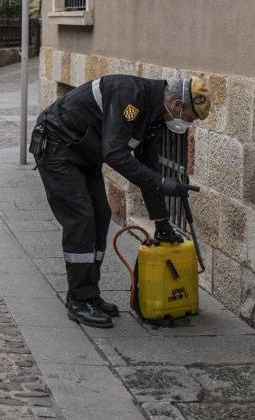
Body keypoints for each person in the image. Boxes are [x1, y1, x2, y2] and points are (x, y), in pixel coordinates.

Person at [31, 75, 211, 328]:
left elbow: (148, 165)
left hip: (84, 154)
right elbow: (114, 153)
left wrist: (162, 222)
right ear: (177, 105)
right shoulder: (131, 97)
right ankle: (79, 301)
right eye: (191, 117)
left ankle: (89, 294)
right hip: (58, 147)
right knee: (82, 220)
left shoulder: (156, 117)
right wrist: (161, 183)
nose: (189, 124)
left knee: (101, 215)